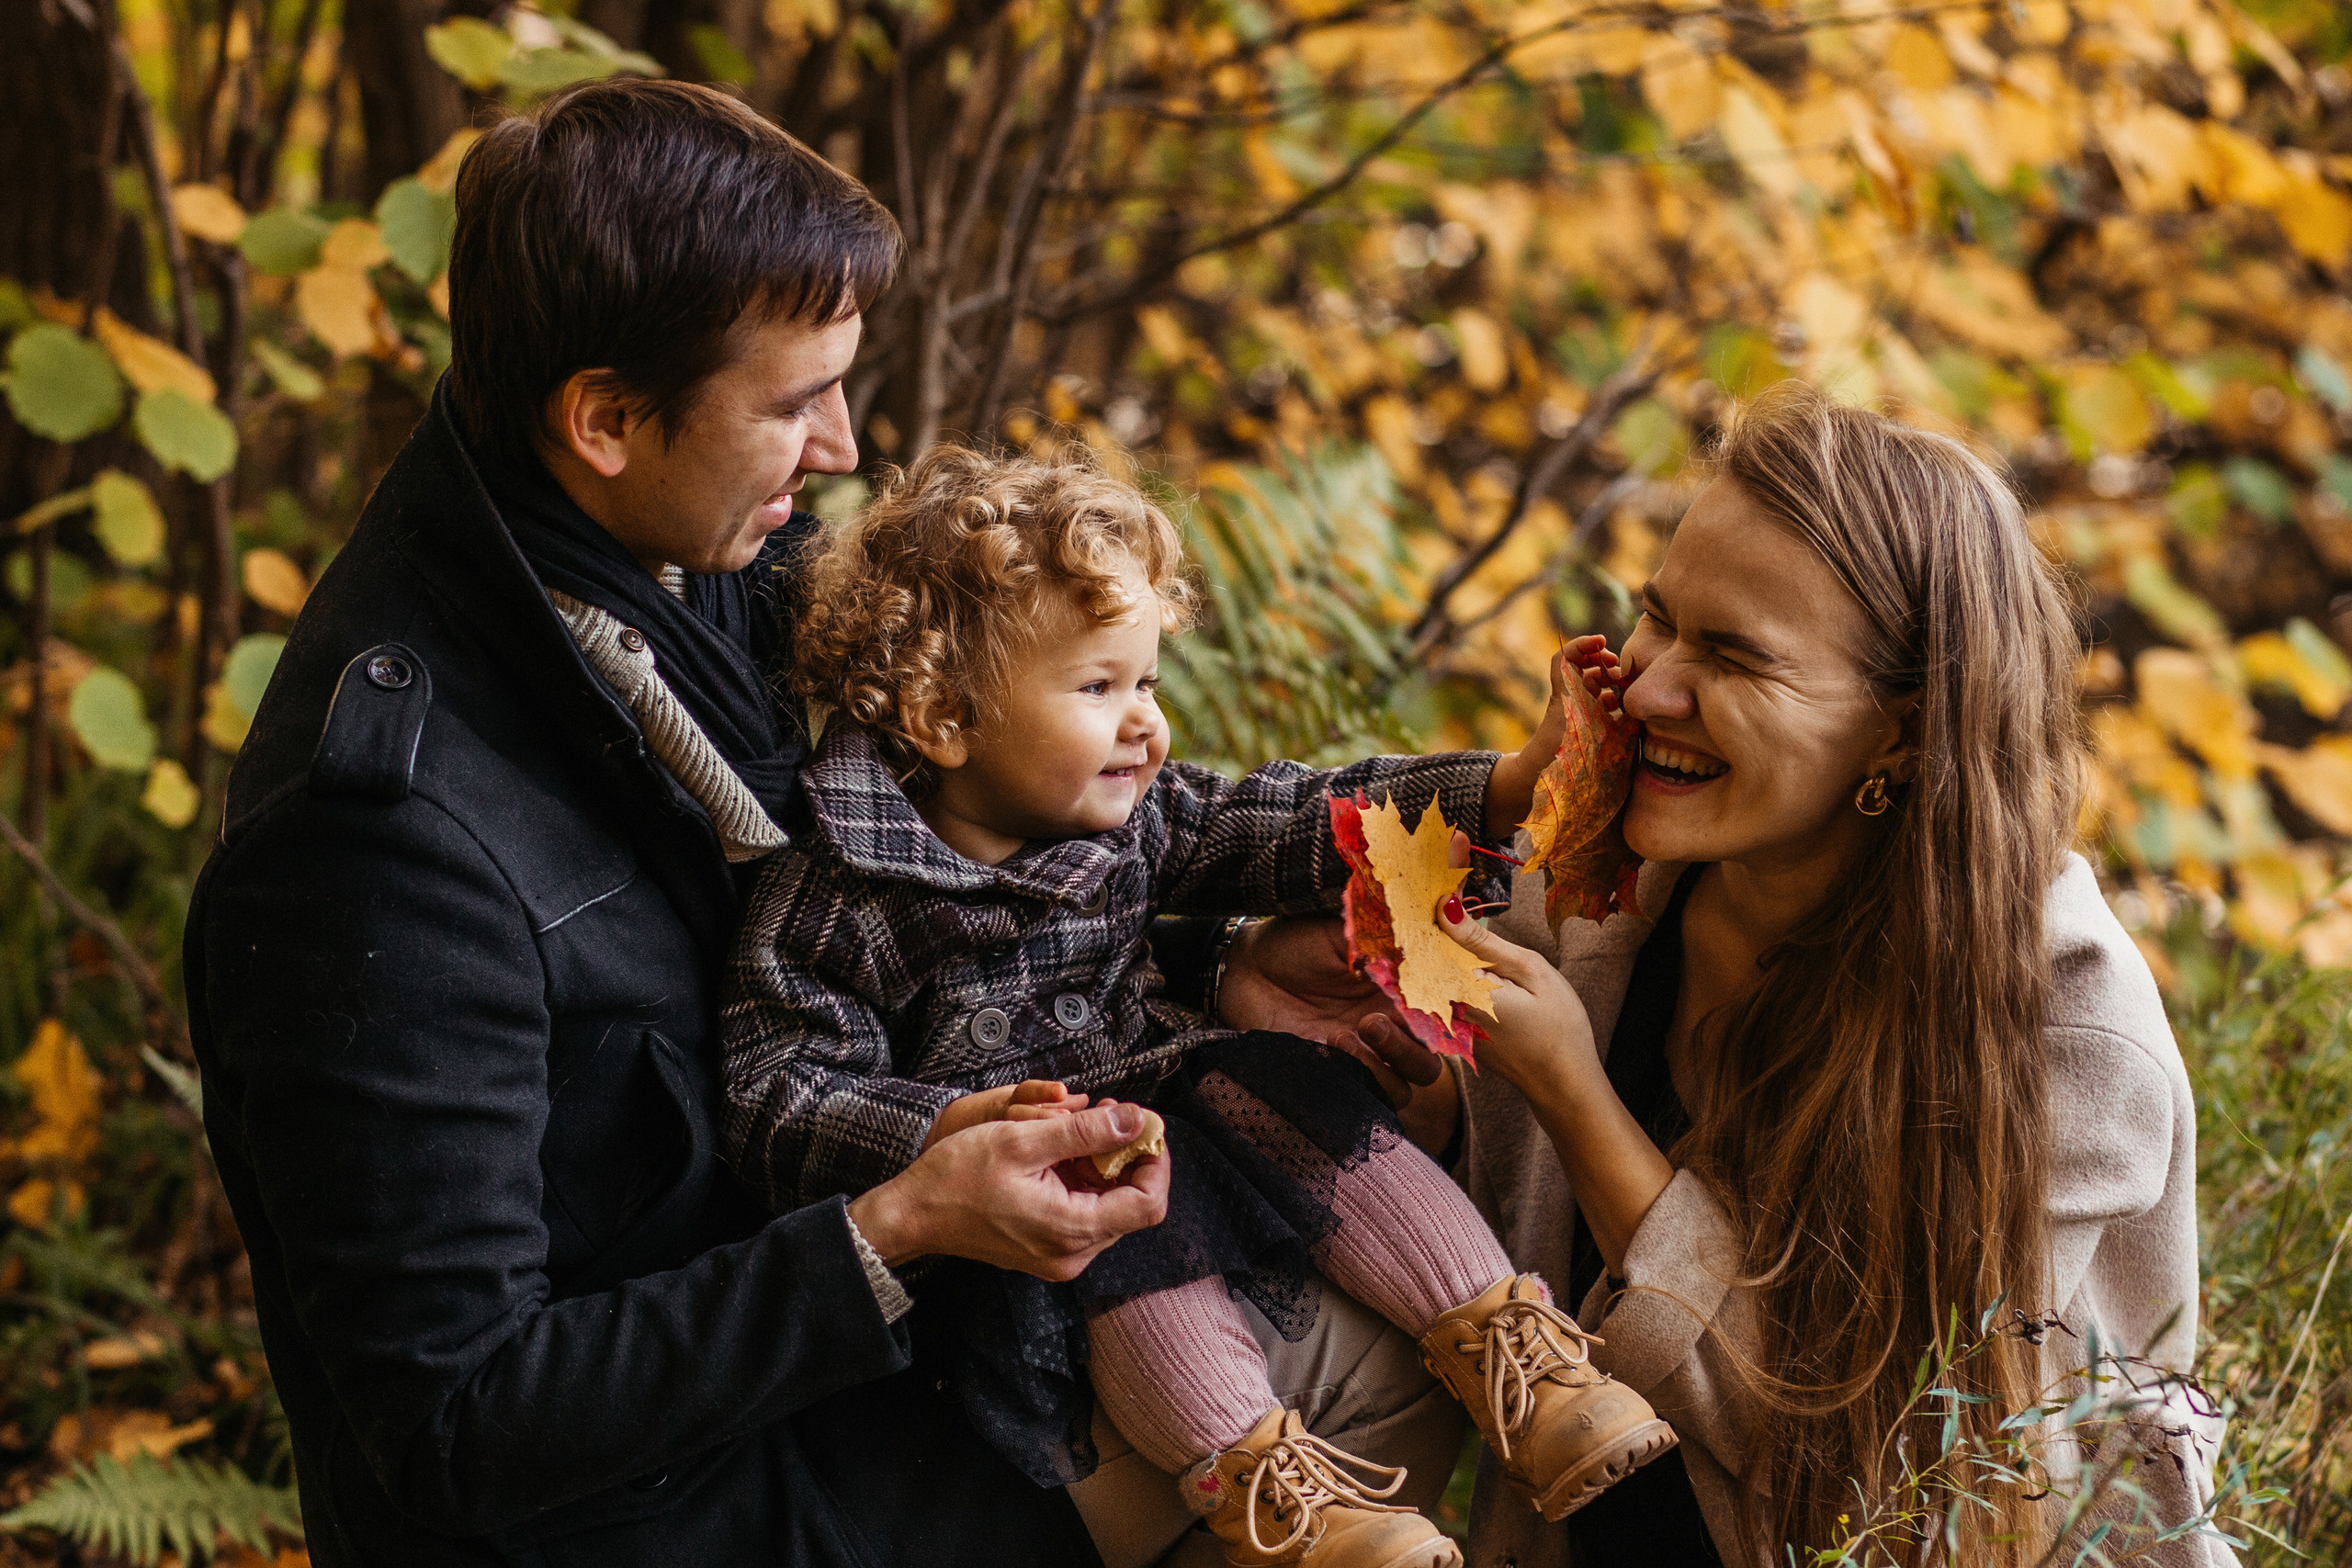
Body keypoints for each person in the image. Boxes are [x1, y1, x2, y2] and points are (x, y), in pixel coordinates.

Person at [182, 79, 1421, 1567]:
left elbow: (954, 858)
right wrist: (897, 1229)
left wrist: (1215, 960)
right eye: (791, 403)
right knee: (1349, 1381)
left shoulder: (702, 570)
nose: (841, 445)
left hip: (876, 1374)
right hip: (694, 1509)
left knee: (1377, 1215)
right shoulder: (379, 848)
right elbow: (453, 1425)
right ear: (605, 418)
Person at [718, 446, 1678, 1568]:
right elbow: (774, 1090)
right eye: (1099, 687)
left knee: (1281, 1081)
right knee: (1118, 1223)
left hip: (1182, 1108)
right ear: (941, 714)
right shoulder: (840, 893)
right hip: (1031, 1225)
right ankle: (1279, 1492)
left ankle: (1513, 1348)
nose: (1145, 723)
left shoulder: (1129, 812)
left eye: (1149, 683)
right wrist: (935, 1137)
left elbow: (1279, 823)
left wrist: (1506, 785)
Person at [1361, 383, 2223, 1567]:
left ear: (1903, 732)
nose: (1653, 684)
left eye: (1733, 656)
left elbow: (1870, 1468)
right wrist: (1437, 1109)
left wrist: (1574, 1098)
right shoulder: (1597, 885)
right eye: (1657, 618)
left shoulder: (2064, 1034)